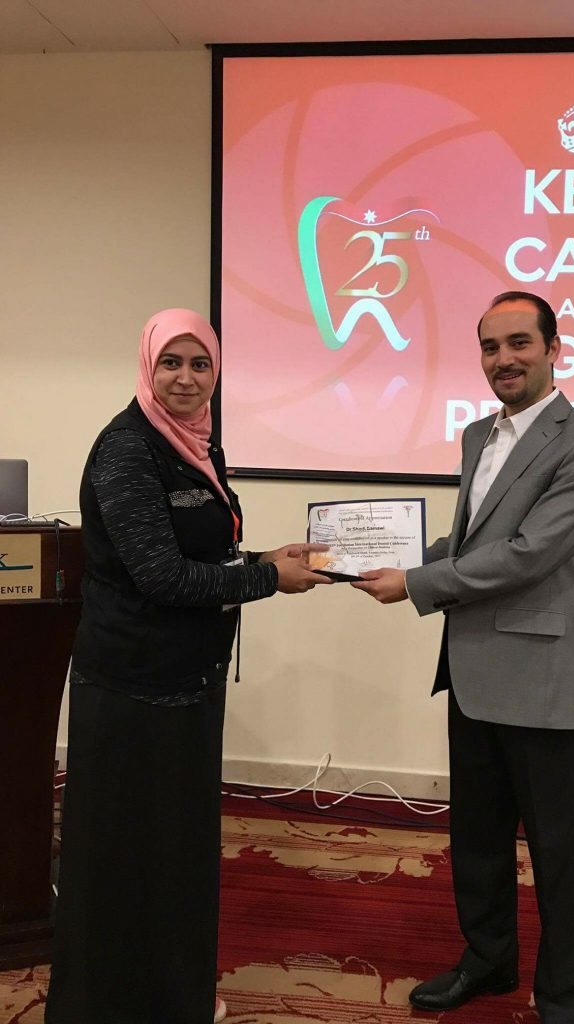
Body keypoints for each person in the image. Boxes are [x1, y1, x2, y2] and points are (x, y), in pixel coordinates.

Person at [45, 308, 332, 1024]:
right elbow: (163, 579)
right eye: (170, 362)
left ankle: (171, 997)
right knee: (122, 860)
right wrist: (269, 583)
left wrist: (264, 557)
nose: (184, 377)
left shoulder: (198, 444)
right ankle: (104, 1007)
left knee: (175, 857)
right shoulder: (126, 450)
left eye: (199, 363)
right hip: (134, 689)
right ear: (146, 366)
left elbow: (201, 552)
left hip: (186, 683)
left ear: (216, 371)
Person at [352, 291, 574, 1024]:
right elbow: (474, 546)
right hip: (471, 669)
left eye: (519, 343)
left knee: (559, 856)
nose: (503, 359)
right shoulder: (478, 435)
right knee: (476, 843)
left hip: (542, 679)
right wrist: (375, 556)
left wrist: (416, 583)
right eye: (489, 346)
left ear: (553, 348)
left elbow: (530, 557)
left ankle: (565, 997)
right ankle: (488, 961)